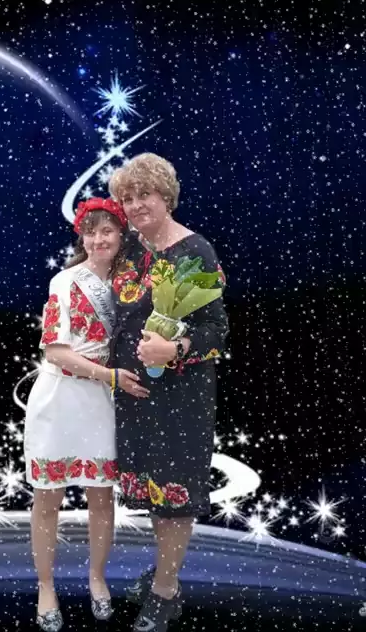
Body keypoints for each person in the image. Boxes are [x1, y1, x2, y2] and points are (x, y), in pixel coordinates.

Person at [108, 153, 229, 632]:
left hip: (180, 401)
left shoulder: (196, 251)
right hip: (134, 397)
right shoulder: (128, 251)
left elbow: (217, 332)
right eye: (128, 198)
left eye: (145, 195)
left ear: (167, 197)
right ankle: (165, 572)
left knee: (175, 498)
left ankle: (165, 592)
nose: (136, 205)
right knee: (155, 497)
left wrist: (174, 349)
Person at [24, 197, 150, 632]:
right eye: (90, 232)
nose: (99, 239)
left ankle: (97, 577)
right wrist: (111, 375)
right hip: (59, 399)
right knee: (47, 498)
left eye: (107, 231)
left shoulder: (131, 285)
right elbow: (56, 352)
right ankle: (46, 586)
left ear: (120, 235)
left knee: (101, 496)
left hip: (101, 402)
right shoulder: (64, 281)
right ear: (82, 237)